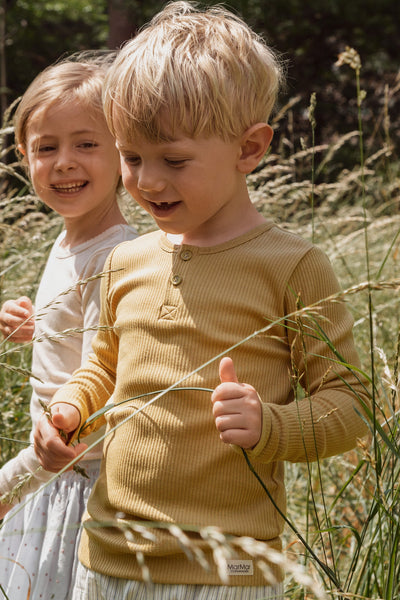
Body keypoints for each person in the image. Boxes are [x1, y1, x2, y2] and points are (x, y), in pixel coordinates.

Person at [34, 2, 371, 599]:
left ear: (250, 148)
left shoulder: (292, 267)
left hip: (230, 571)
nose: (147, 181)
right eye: (131, 158)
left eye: (174, 160)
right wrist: (68, 409)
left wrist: (271, 424)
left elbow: (349, 406)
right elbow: (103, 368)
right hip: (110, 556)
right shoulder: (125, 260)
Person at [0, 52, 137, 599]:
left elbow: (102, 389)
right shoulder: (67, 240)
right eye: (46, 148)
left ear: (125, 151)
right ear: (23, 156)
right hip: (51, 478)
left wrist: (12, 483)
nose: (63, 163)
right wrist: (37, 327)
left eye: (86, 144)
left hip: (80, 486)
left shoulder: (119, 256)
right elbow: (85, 341)